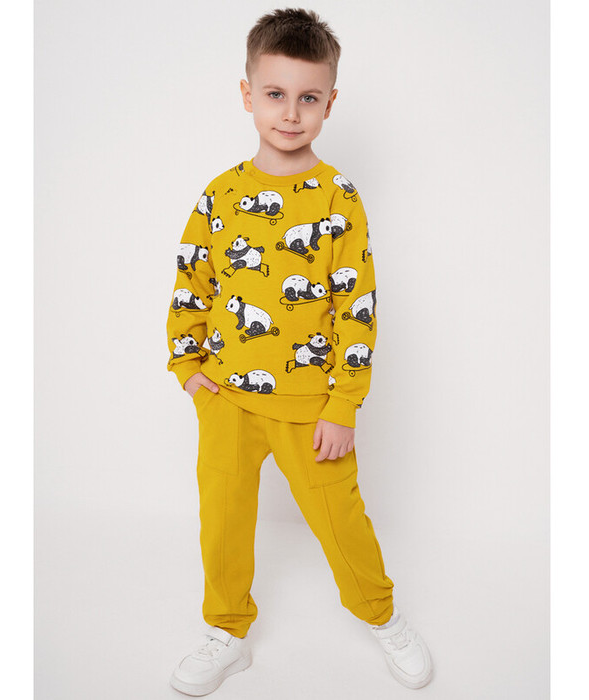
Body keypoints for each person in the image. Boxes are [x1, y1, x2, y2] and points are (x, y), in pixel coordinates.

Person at [165, 8, 433, 695]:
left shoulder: (338, 198)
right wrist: (188, 367)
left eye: (308, 97)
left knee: (340, 520)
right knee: (222, 520)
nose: (291, 113)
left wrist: (343, 405)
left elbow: (356, 307)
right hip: (227, 398)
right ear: (247, 94)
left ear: (330, 103)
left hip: (311, 407)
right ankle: (226, 630)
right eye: (276, 94)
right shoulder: (222, 193)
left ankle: (383, 617)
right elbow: (194, 281)